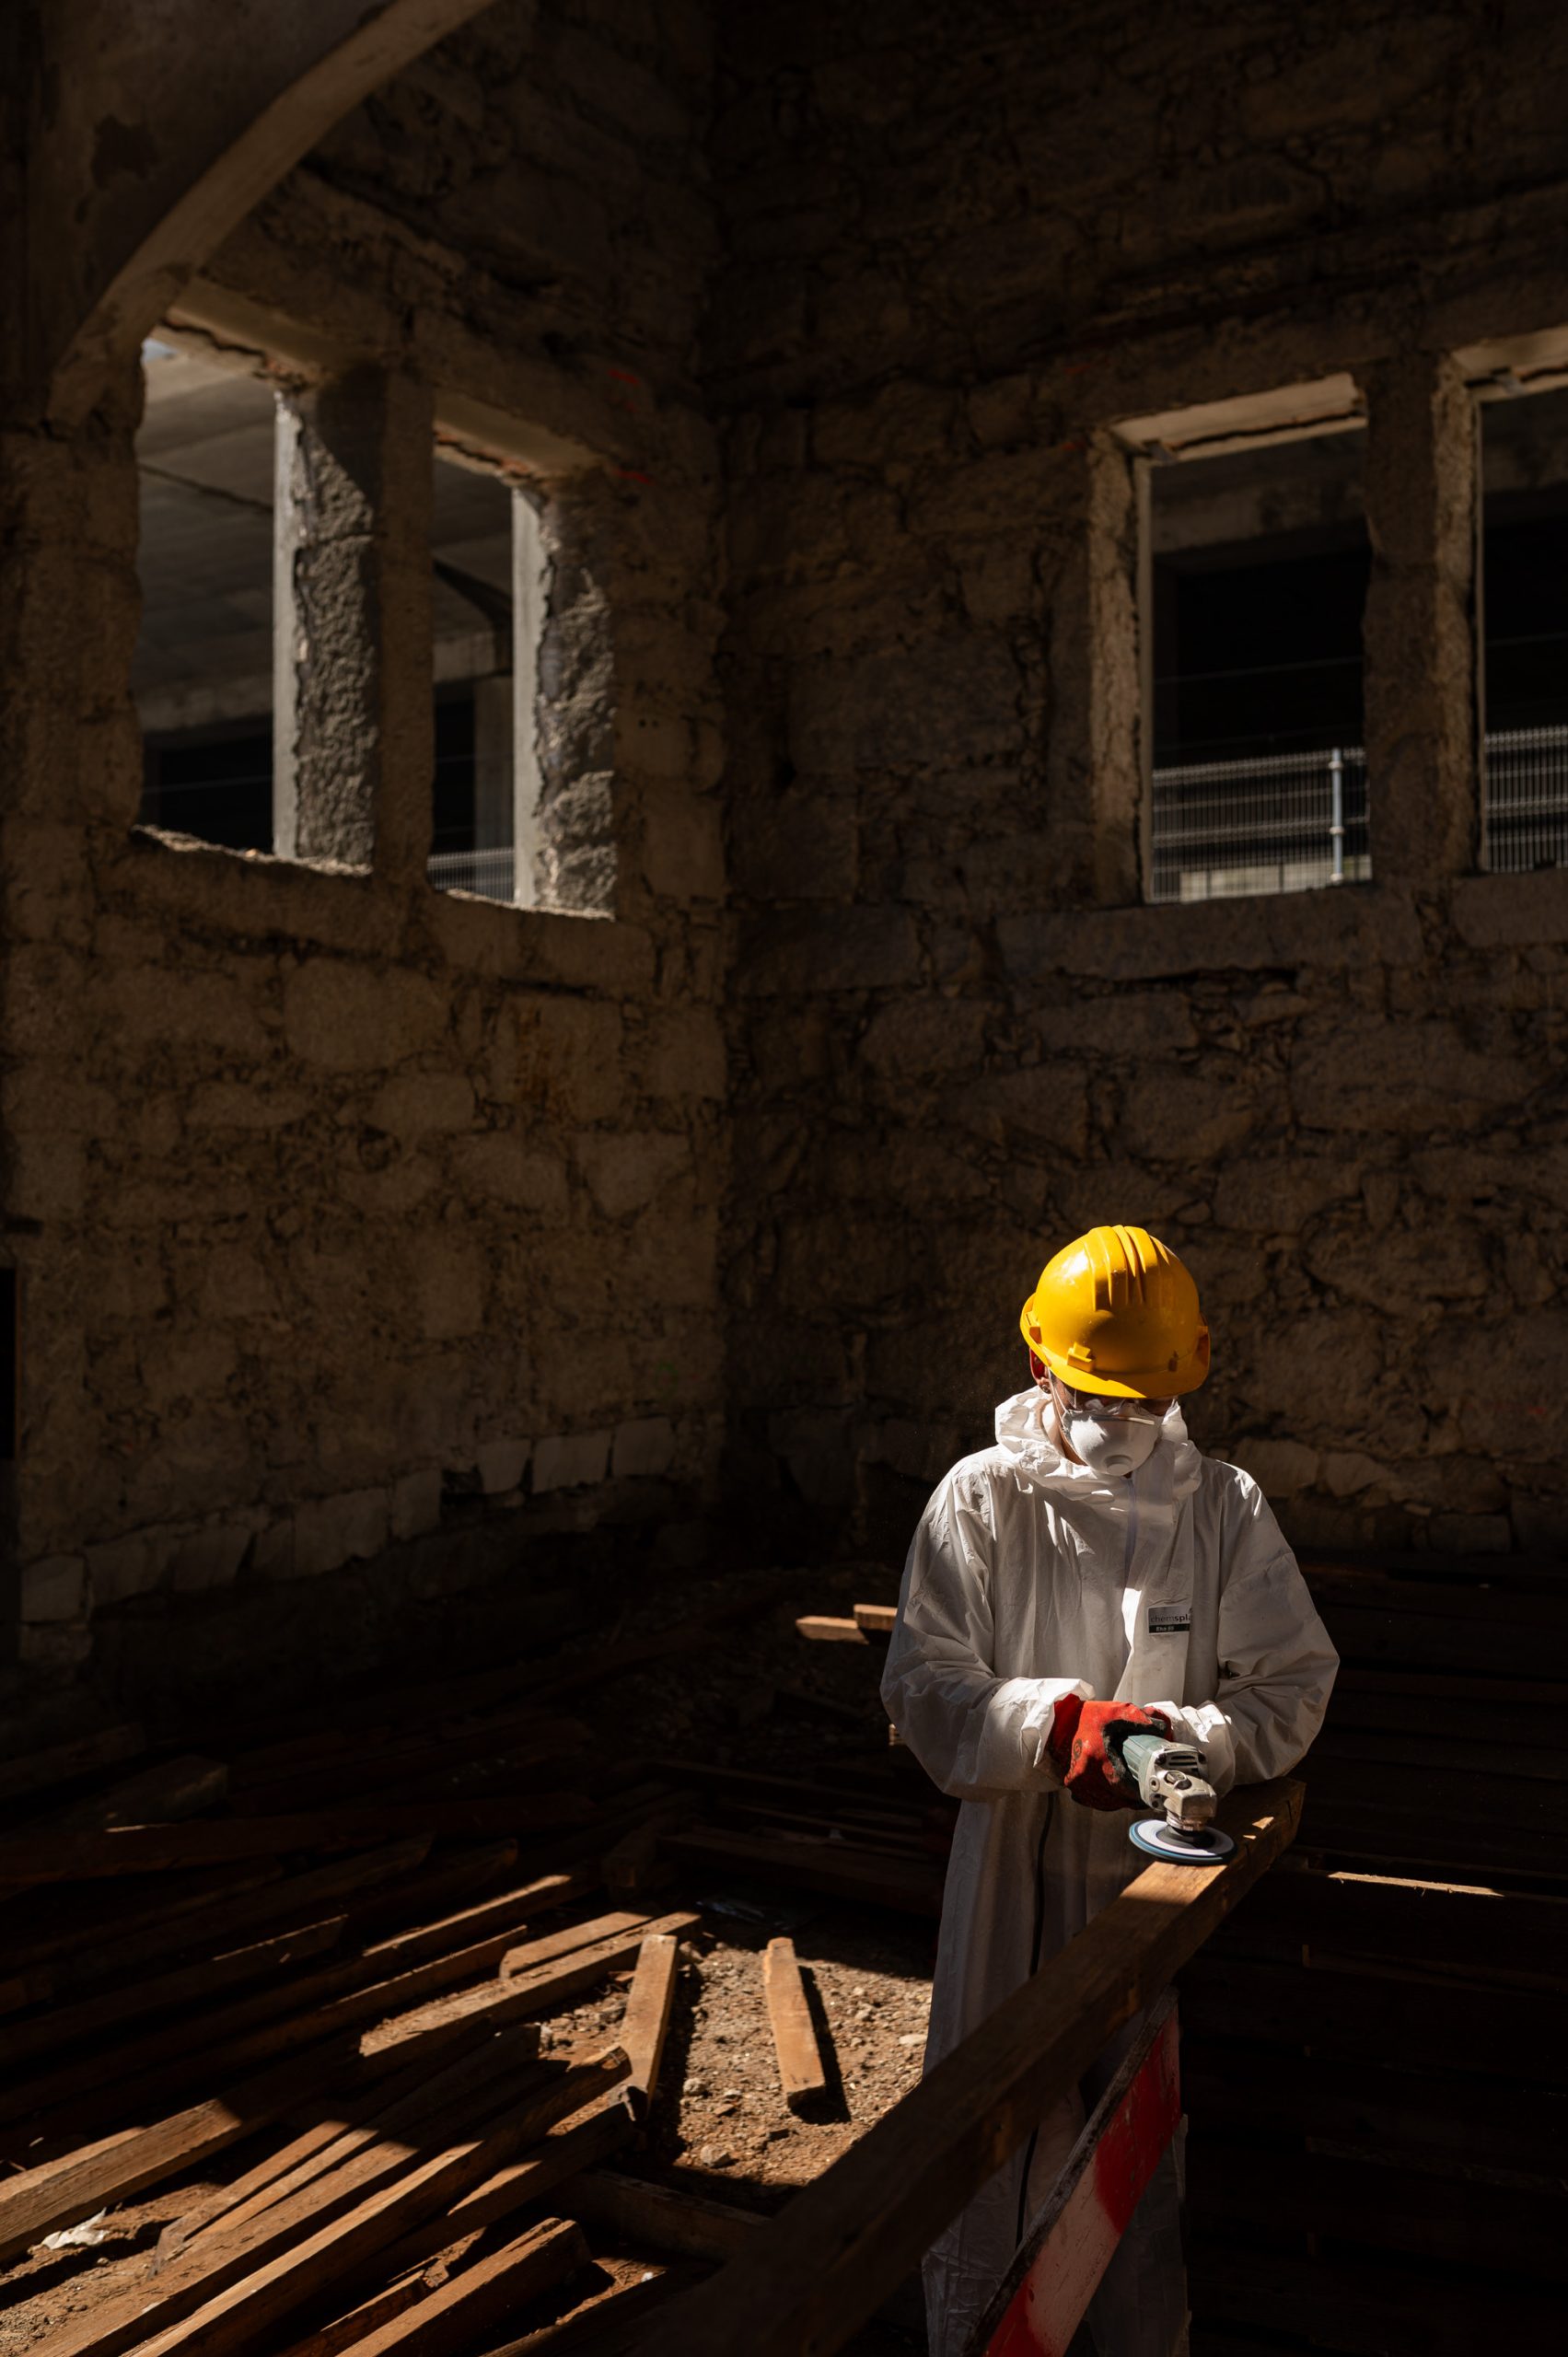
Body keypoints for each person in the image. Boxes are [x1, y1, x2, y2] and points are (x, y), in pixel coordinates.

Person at [881, 1224, 1338, 2357]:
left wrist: (1173, 1743)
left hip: (1148, 1897)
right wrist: (1053, 1728)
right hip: (1003, 1883)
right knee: (983, 2162)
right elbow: (925, 1688)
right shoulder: (979, 1500)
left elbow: (1290, 1687)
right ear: (1041, 1366)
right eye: (1096, 1392)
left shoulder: (1221, 1509)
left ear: (1182, 1380)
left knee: (1126, 2164)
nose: (1117, 1420)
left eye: (1142, 1398)